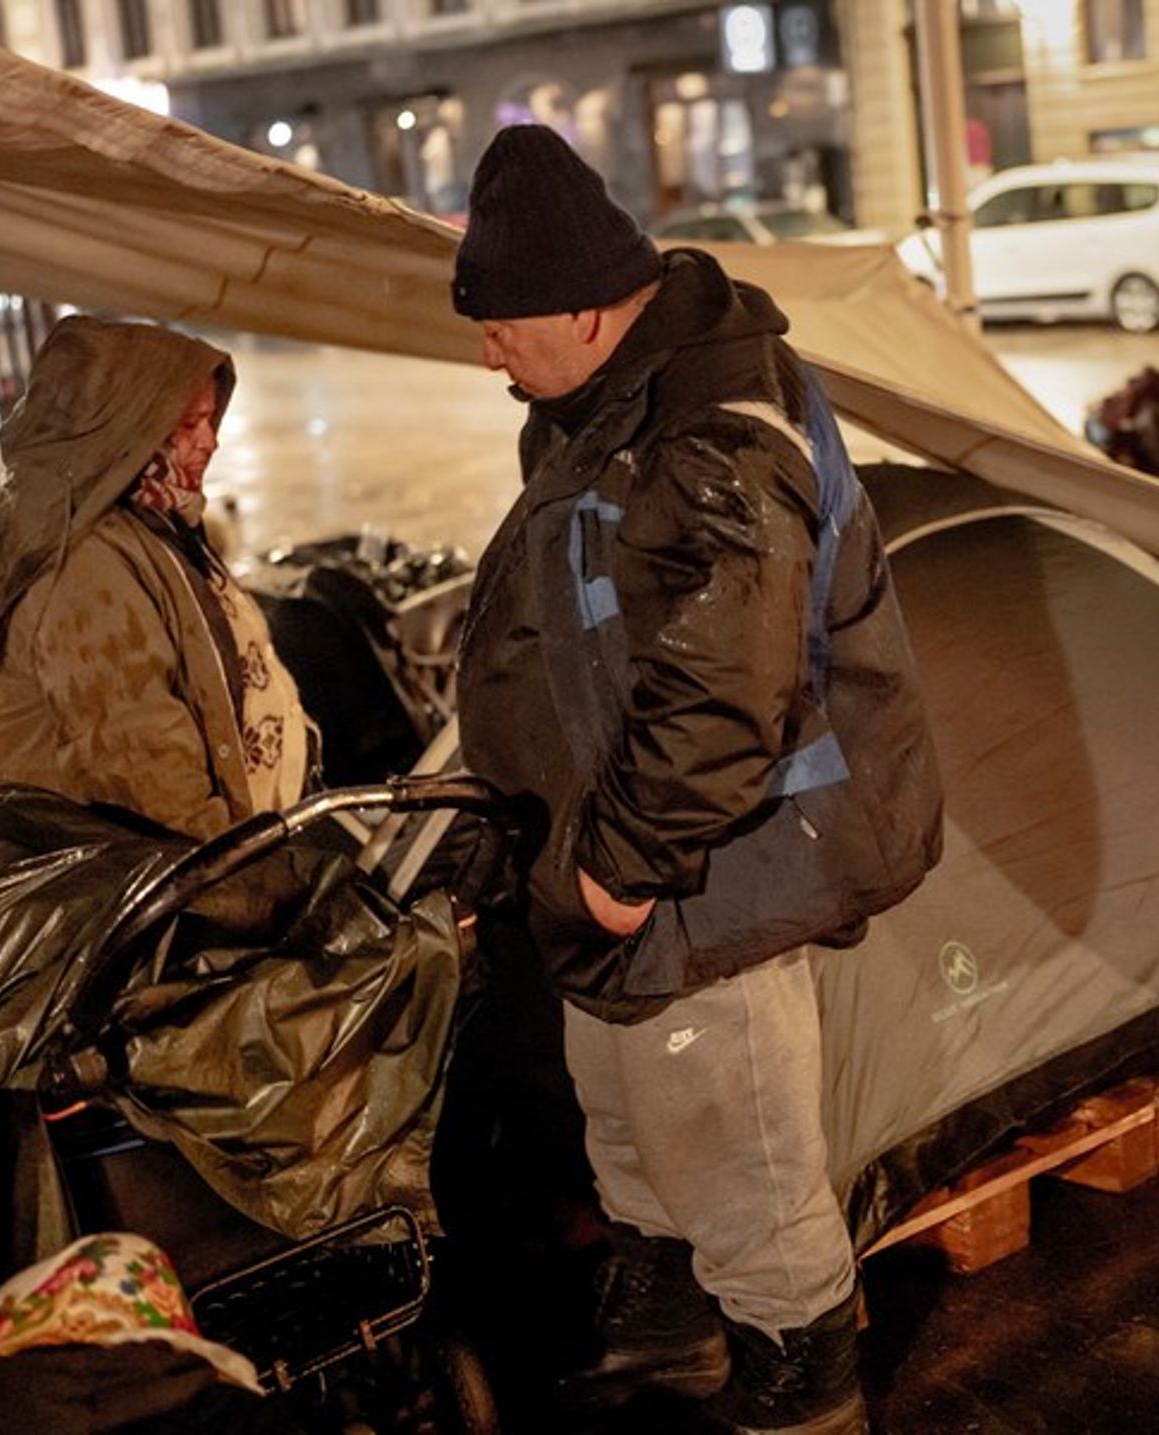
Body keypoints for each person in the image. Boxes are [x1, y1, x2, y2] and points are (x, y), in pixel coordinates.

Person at [446, 125, 943, 1435]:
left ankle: (801, 1365)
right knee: (625, 1088)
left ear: (585, 307)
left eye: (498, 321)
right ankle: (667, 1314)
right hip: (629, 835)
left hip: (726, 841)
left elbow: (728, 687)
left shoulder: (717, 427)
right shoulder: (595, 405)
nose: (484, 347)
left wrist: (616, 866)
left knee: (732, 1116)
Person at [0, 316, 314, 839]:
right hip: (184, 886)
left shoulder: (153, 523)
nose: (209, 442)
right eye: (187, 424)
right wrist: (254, 888)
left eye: (211, 420)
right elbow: (145, 773)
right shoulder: (81, 569)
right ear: (127, 432)